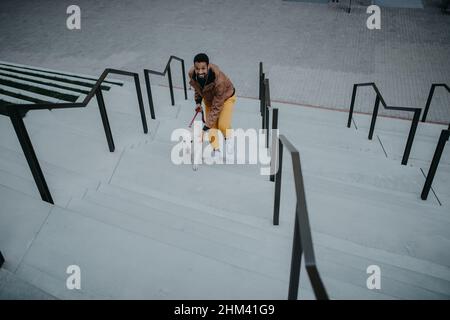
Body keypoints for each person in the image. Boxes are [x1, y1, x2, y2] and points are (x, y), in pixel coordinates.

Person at [188, 53, 236, 160]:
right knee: (212, 126)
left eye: (203, 68)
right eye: (197, 68)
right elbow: (198, 88)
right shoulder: (192, 74)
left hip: (226, 97)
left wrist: (205, 127)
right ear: (194, 68)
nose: (200, 72)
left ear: (208, 66)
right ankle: (216, 149)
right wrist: (198, 102)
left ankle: (228, 138)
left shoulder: (219, 80)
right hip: (209, 100)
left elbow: (217, 106)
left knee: (222, 124)